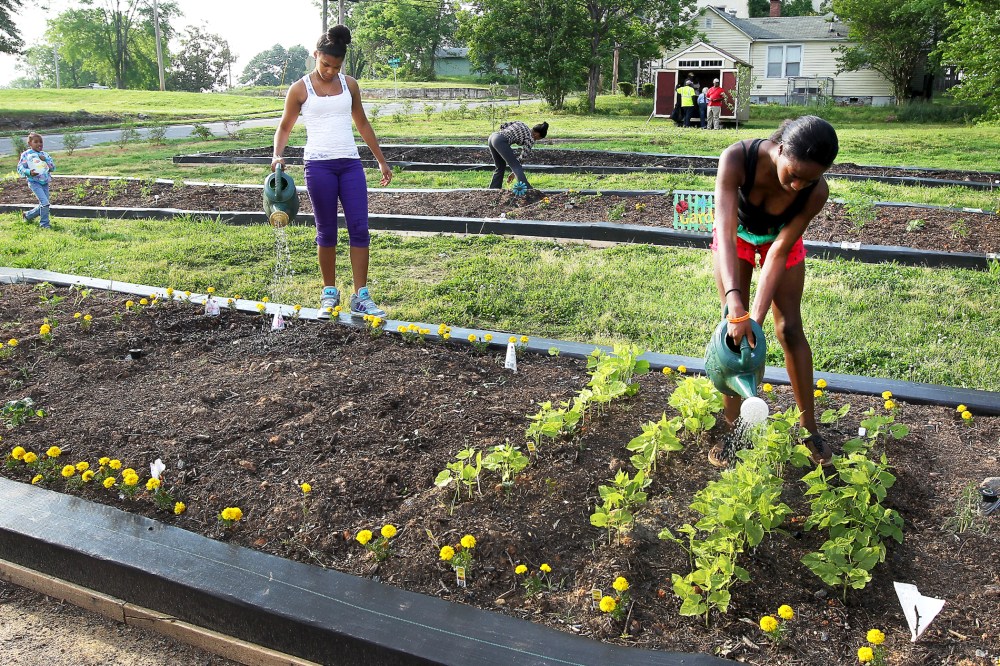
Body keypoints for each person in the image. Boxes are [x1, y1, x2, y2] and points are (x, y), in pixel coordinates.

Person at [709, 115, 839, 467]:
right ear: (780, 150)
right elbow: (724, 229)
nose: (798, 185)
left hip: (779, 242)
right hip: (735, 236)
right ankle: (735, 428)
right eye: (793, 174)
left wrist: (758, 320)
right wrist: (737, 308)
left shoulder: (816, 191)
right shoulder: (737, 158)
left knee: (790, 329)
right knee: (732, 337)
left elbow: (780, 250)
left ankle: (808, 427)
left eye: (808, 179)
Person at [271, 25, 392, 319]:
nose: (330, 71)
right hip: (318, 165)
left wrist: (380, 160)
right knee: (326, 231)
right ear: (316, 55)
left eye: (336, 66)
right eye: (325, 64)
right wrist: (277, 155)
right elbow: (285, 126)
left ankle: (361, 296)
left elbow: (362, 123)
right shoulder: (299, 89)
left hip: (350, 164)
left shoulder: (349, 85)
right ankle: (329, 292)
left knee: (359, 228)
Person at [487, 121, 549, 190]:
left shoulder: (522, 123)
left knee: (500, 166)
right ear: (537, 135)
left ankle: (493, 189)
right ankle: (528, 190)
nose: (536, 140)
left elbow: (504, 125)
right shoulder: (530, 138)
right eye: (539, 138)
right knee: (516, 165)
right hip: (500, 141)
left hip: (492, 137)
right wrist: (515, 172)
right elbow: (522, 158)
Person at [17, 132, 55, 229]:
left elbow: (52, 168)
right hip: (34, 182)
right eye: (36, 142)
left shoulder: (44, 155)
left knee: (45, 204)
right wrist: (29, 172)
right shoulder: (26, 155)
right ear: (30, 143)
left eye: (41, 142)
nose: (39, 144)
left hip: (45, 183)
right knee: (45, 203)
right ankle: (44, 224)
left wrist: (45, 160)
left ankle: (28, 215)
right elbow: (20, 168)